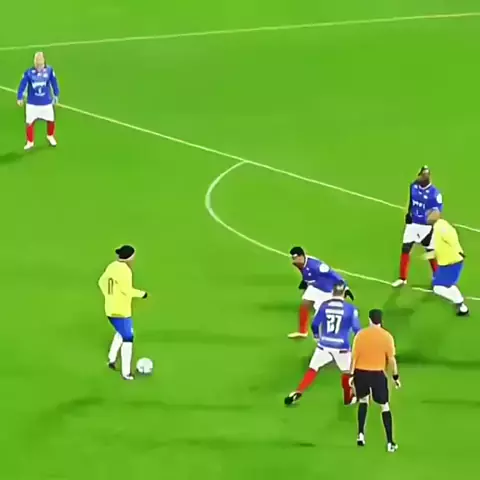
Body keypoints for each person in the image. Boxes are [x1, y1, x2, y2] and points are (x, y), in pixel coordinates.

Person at [284, 282, 361, 406]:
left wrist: (316, 336)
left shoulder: (324, 306)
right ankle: (348, 398)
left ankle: (299, 391)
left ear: (333, 292)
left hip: (324, 345)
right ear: (344, 294)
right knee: (347, 373)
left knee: (313, 369)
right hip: (342, 347)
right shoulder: (350, 309)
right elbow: (357, 329)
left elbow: (315, 324)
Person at [350, 309, 400, 453]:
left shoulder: (360, 335)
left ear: (370, 319)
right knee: (384, 406)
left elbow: (354, 357)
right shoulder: (387, 336)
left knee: (363, 401)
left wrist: (351, 375)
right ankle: (390, 442)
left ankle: (360, 434)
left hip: (361, 372)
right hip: (377, 374)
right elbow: (391, 359)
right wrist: (395, 377)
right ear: (381, 320)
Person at [98, 245, 148, 380]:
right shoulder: (125, 271)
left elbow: (101, 282)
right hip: (121, 311)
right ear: (130, 257)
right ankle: (126, 373)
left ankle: (111, 359)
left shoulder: (112, 266)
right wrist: (142, 294)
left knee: (121, 332)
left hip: (110, 308)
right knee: (128, 338)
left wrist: (109, 295)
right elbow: (127, 290)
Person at [392, 166, 441, 287]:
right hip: (413, 224)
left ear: (427, 178)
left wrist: (430, 228)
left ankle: (438, 278)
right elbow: (411, 201)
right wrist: (408, 214)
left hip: (426, 227)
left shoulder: (435, 194)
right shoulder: (413, 186)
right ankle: (402, 278)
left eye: (423, 176)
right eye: (420, 175)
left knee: (430, 251)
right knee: (405, 249)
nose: (420, 177)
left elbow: (437, 213)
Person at [289, 246, 353, 339]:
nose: (294, 260)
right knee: (305, 304)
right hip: (314, 287)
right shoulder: (298, 264)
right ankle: (303, 332)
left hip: (326, 290)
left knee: (322, 315)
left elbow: (334, 275)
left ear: (301, 256)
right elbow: (306, 273)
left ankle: (327, 335)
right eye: (293, 258)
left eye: (295, 258)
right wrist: (305, 281)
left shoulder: (317, 266)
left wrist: (345, 288)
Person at [426, 209, 468, 316]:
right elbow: (442, 244)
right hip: (446, 263)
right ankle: (462, 307)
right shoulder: (439, 225)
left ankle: (459, 302)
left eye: (428, 216)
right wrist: (434, 254)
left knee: (438, 288)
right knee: (446, 285)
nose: (426, 218)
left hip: (452, 263)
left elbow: (450, 237)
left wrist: (457, 250)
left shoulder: (441, 228)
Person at [16, 52, 60, 150]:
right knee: (30, 122)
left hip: (46, 102)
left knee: (51, 120)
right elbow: (23, 85)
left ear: (44, 62)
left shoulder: (49, 71)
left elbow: (54, 82)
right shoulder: (28, 73)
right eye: (37, 63)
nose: (39, 66)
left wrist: (56, 94)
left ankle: (50, 136)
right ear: (34, 62)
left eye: (40, 63)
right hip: (32, 103)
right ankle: (30, 141)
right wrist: (19, 97)